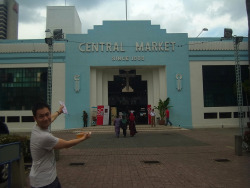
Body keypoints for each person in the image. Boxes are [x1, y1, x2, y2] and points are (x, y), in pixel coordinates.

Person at [29, 102, 91, 188]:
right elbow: (66, 144)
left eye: (47, 114)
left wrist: (59, 111)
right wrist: (84, 138)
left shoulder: (37, 127)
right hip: (45, 183)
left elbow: (51, 118)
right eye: (41, 116)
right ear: (35, 118)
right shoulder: (43, 137)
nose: (46, 118)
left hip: (46, 178)